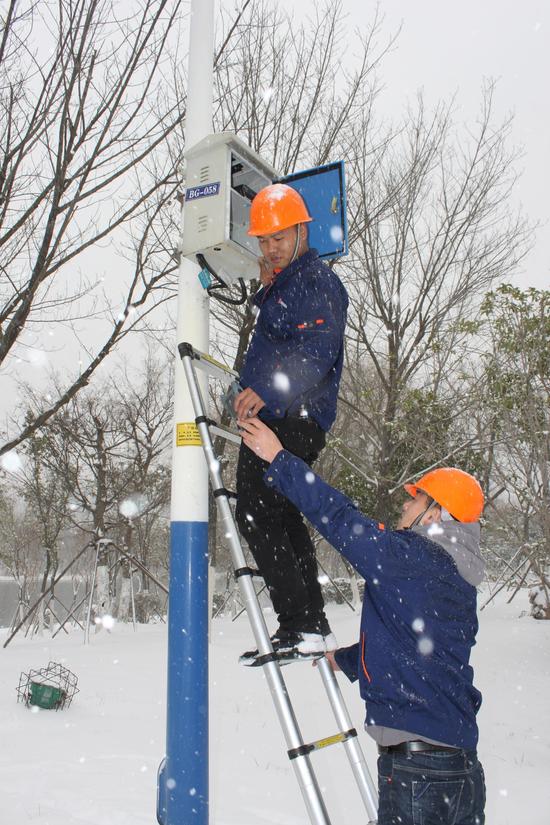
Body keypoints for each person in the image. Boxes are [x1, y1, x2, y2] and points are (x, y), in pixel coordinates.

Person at [237, 415, 486, 825]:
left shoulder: (412, 557)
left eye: (416, 500)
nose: (405, 504)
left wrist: (279, 458)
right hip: (458, 769)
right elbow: (417, 648)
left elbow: (341, 520)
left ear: (435, 515)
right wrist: (348, 660)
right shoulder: (455, 576)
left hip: (419, 772)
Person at [234, 183, 348, 664]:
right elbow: (281, 339)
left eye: (279, 236)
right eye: (263, 240)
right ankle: (310, 624)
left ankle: (299, 623)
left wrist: (270, 392)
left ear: (303, 229)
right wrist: (265, 291)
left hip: (287, 418)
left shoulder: (317, 281)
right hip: (280, 417)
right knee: (280, 515)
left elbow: (316, 353)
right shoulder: (287, 284)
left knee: (256, 513)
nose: (271, 247)